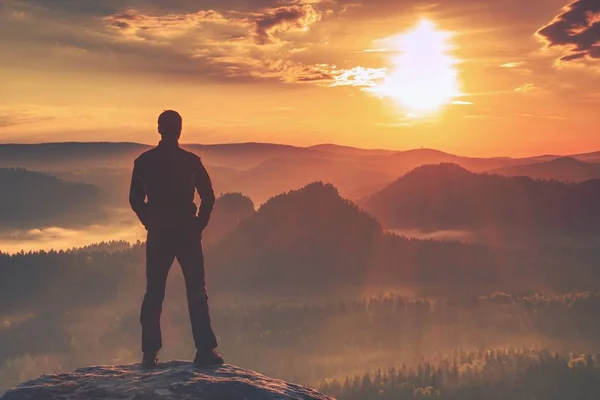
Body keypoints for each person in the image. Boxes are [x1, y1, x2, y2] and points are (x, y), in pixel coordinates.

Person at [129, 110, 223, 368]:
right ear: (180, 130)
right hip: (186, 233)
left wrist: (151, 222)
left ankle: (149, 355)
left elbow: (135, 200)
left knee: (154, 293)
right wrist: (198, 226)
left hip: (159, 234)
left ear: (159, 129)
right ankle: (204, 351)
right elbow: (208, 197)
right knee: (196, 291)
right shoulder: (191, 162)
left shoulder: (144, 162)